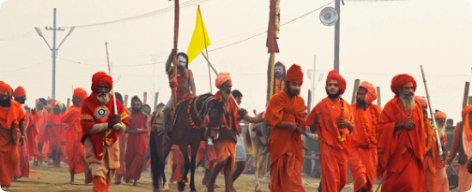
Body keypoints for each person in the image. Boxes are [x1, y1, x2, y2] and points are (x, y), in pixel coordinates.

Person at [206, 72, 264, 192]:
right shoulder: (214, 101)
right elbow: (209, 118)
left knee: (229, 166)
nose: (228, 89)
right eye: (226, 86)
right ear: (221, 86)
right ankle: (211, 180)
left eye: (230, 87)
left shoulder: (233, 102)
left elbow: (246, 118)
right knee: (223, 161)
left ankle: (228, 189)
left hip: (232, 137)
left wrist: (261, 119)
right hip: (220, 136)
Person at [80, 71, 129, 192]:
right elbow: (88, 127)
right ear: (94, 87)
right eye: (100, 86)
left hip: (112, 145)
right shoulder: (87, 103)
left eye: (106, 87)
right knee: (98, 177)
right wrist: (108, 125)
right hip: (94, 145)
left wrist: (119, 126)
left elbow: (125, 125)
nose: (103, 90)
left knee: (107, 178)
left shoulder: (115, 103)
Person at [306, 70, 354, 192]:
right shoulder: (320, 106)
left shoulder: (347, 107)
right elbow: (311, 128)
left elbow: (353, 128)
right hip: (327, 147)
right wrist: (316, 122)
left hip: (342, 147)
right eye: (330, 85)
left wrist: (349, 124)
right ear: (326, 88)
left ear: (340, 88)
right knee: (332, 179)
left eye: (335, 85)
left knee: (342, 180)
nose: (332, 87)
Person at [376, 74, 426, 191]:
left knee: (411, 184)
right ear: (399, 90)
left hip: (414, 153)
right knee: (393, 184)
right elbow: (381, 127)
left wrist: (421, 149)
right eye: (406, 88)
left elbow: (421, 130)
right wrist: (400, 125)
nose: (410, 91)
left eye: (411, 88)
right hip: (397, 153)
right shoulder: (391, 106)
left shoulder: (417, 106)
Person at [265, 64, 309, 192]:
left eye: (299, 85)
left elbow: (302, 123)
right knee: (279, 180)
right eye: (294, 84)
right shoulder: (276, 99)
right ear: (287, 83)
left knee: (293, 178)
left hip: (294, 145)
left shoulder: (300, 101)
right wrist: (288, 125)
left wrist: (301, 129)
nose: (296, 88)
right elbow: (269, 120)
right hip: (279, 143)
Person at [348, 81, 382, 192]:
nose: (358, 96)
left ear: (369, 96)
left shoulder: (377, 111)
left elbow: (385, 128)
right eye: (358, 94)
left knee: (368, 185)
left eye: (362, 94)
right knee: (360, 175)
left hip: (371, 152)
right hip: (354, 150)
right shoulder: (350, 110)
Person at [62, 88, 90, 184]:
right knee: (72, 157)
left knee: (85, 157)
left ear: (80, 99)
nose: (72, 100)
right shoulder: (71, 108)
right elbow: (63, 119)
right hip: (71, 137)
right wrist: (71, 112)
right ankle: (72, 179)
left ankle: (87, 178)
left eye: (74, 98)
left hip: (83, 137)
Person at [163, 51, 196, 133]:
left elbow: (192, 84)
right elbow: (167, 66)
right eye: (180, 61)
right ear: (176, 61)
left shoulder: (189, 72)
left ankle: (200, 132)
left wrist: (194, 95)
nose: (182, 63)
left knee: (197, 110)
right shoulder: (172, 70)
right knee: (166, 109)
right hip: (175, 97)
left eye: (184, 62)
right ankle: (166, 131)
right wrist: (171, 54)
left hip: (187, 96)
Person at [0, 81, 26, 188]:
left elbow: (20, 121)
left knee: (13, 159)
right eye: (2, 96)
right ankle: (3, 182)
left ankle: (6, 180)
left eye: (6, 96)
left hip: (11, 137)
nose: (5, 98)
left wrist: (23, 135)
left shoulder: (15, 106)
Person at [124, 96, 149, 186]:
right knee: (129, 158)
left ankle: (135, 180)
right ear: (132, 105)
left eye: (138, 105)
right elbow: (125, 129)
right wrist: (133, 131)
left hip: (140, 142)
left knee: (138, 159)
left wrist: (140, 130)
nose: (136, 106)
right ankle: (128, 175)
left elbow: (146, 130)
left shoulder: (144, 116)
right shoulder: (129, 116)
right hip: (131, 140)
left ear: (140, 105)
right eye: (134, 105)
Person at [447, 105, 472, 192]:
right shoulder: (460, 126)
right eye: (471, 115)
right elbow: (455, 143)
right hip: (465, 161)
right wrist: (451, 157)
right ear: (466, 116)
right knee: (466, 185)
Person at [12, 86, 30, 180]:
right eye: (24, 96)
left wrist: (23, 134)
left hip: (21, 134)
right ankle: (14, 174)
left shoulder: (20, 106)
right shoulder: (14, 105)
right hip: (15, 134)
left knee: (22, 155)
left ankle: (17, 173)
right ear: (19, 96)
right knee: (16, 155)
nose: (25, 98)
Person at [113, 92, 129, 184]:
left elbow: (126, 123)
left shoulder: (124, 111)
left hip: (119, 136)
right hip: (108, 135)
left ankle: (118, 177)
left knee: (118, 156)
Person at [45, 101, 66, 167]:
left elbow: (65, 122)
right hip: (53, 134)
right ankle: (55, 161)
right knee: (53, 148)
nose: (56, 108)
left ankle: (58, 161)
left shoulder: (63, 114)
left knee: (60, 149)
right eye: (56, 107)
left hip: (60, 135)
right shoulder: (51, 114)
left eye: (58, 107)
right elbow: (47, 122)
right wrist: (47, 125)